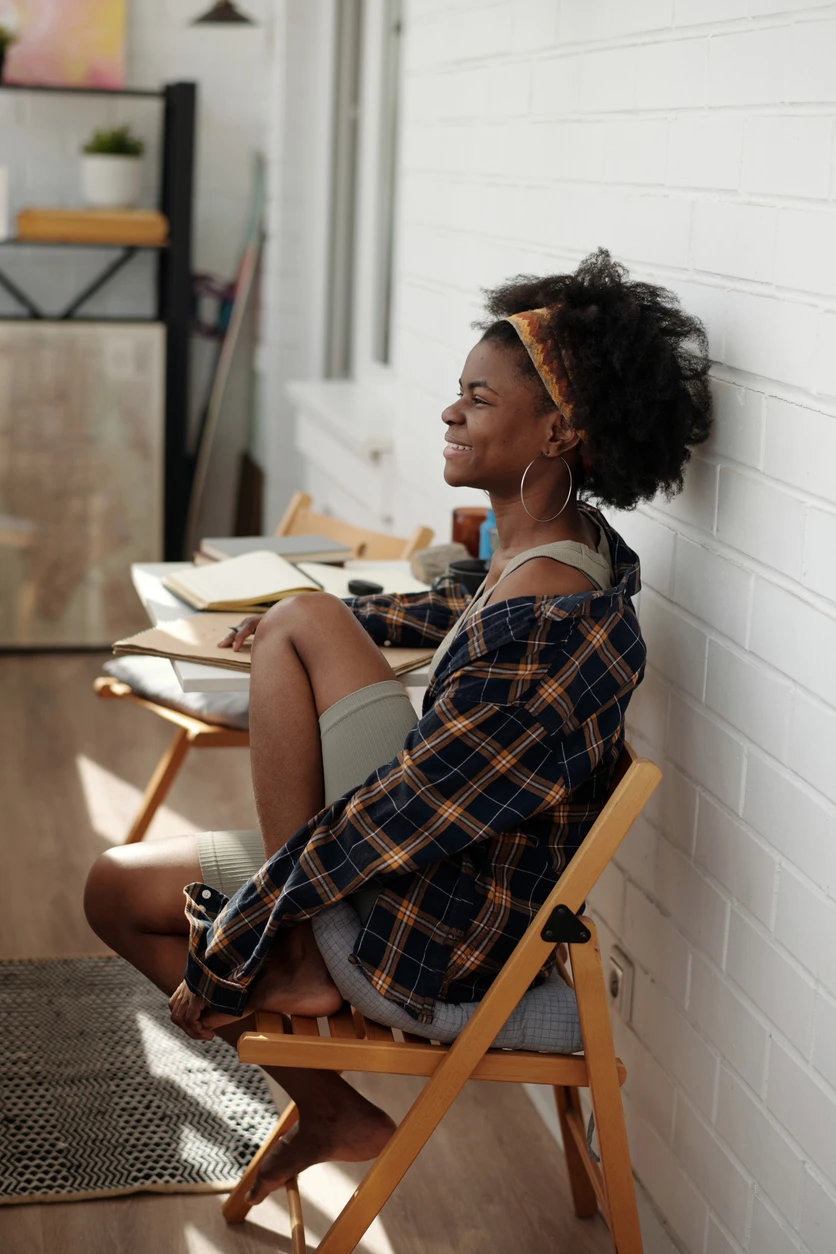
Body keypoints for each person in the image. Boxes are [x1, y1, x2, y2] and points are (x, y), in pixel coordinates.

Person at [84, 248, 711, 1203]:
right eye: (459, 391)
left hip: (431, 936)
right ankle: (330, 1105)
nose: (453, 412)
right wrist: (360, 621)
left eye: (480, 398)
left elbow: (404, 815)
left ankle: (297, 959)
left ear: (560, 427)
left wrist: (254, 932)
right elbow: (463, 620)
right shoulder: (555, 549)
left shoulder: (552, 628)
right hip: (427, 872)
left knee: (291, 635)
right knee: (288, 636)